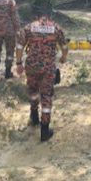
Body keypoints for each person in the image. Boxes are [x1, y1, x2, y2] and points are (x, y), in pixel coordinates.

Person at [15, 8, 68, 141]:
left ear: (37, 17)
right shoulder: (55, 28)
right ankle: (45, 130)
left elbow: (20, 47)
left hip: (32, 66)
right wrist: (63, 58)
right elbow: (65, 47)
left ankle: (34, 116)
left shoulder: (29, 28)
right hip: (48, 68)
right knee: (46, 95)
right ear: (48, 17)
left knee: (33, 90)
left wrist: (19, 63)